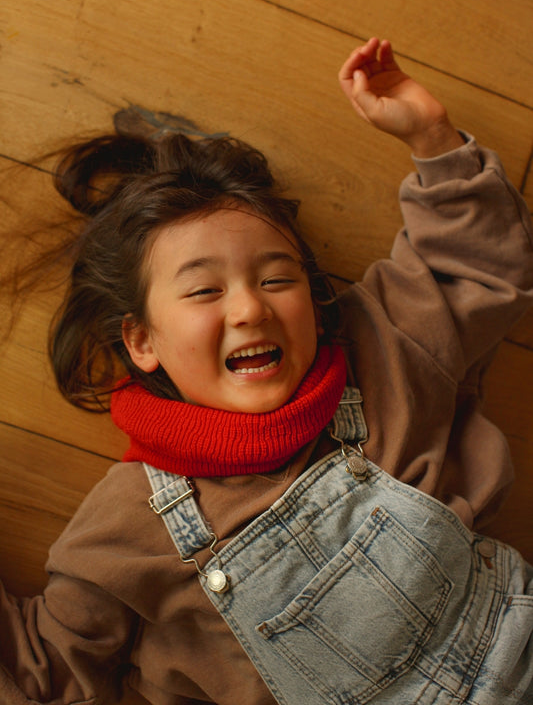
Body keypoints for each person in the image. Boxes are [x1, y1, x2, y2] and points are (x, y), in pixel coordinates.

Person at [1, 37, 532, 705]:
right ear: (141, 340)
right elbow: (45, 673)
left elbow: (475, 267)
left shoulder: (382, 347)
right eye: (204, 291)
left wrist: (432, 138)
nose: (251, 308)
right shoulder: (124, 525)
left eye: (277, 279)